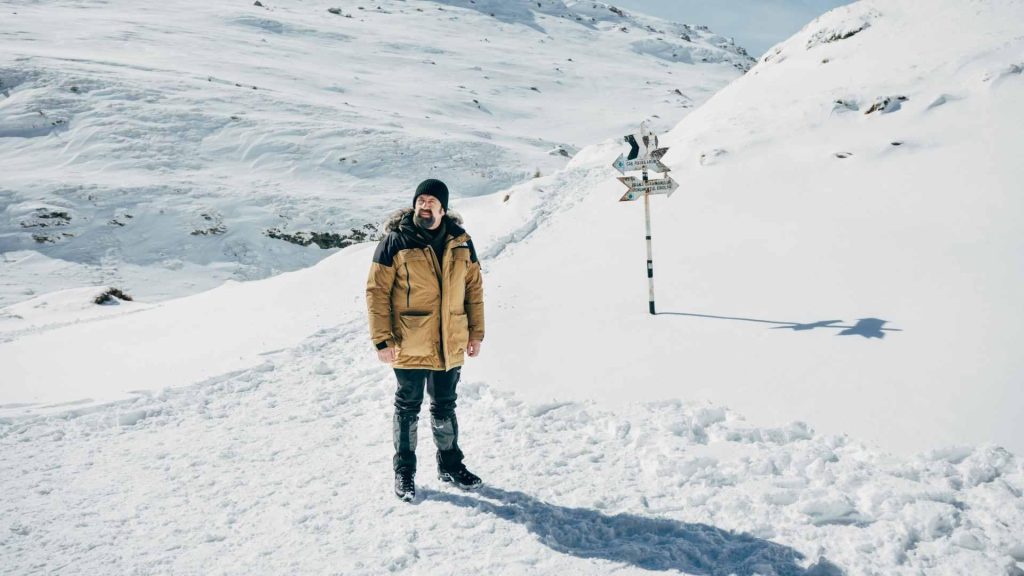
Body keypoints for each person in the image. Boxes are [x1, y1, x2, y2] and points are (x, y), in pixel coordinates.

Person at [365, 178, 486, 502]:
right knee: (408, 407)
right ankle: (404, 471)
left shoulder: (462, 242)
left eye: (432, 200)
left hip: (450, 340)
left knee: (445, 406)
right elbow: (377, 293)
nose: (425, 204)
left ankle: (450, 464)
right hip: (409, 340)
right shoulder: (395, 241)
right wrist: (382, 340)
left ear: (443, 208)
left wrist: (476, 333)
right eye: (421, 199)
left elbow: (473, 289)